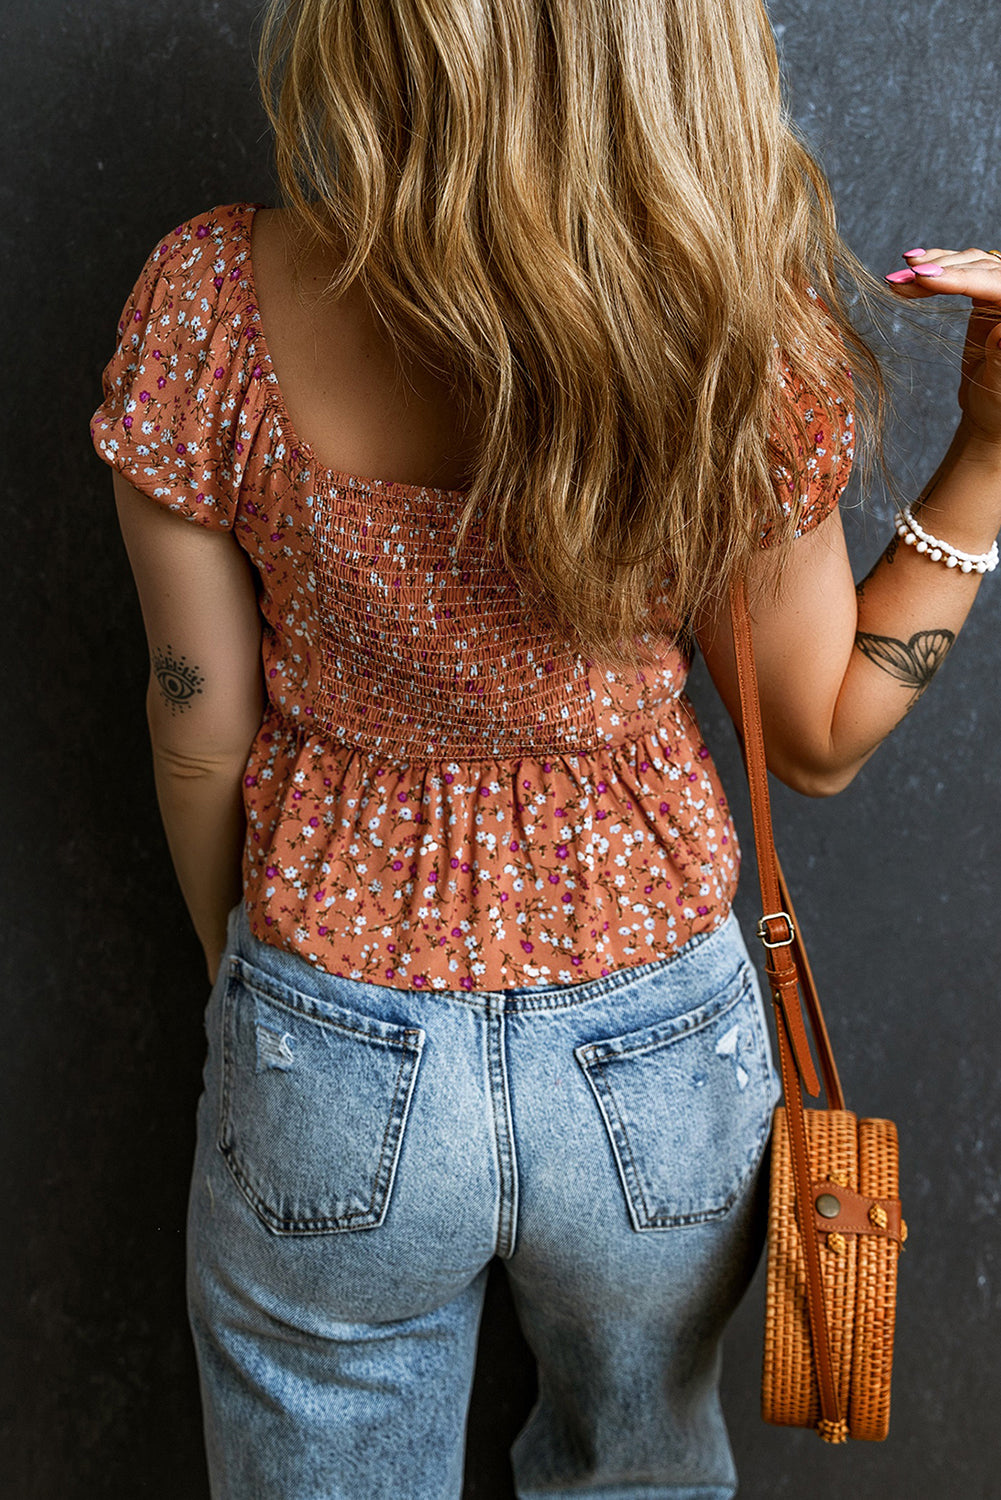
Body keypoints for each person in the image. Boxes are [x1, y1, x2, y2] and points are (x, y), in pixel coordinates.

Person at [89, 0, 1001, 1493]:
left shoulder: (213, 301)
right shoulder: (741, 339)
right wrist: (987, 448)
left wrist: (251, 990)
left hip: (330, 1006)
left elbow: (196, 726)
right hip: (658, 1046)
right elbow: (821, 738)